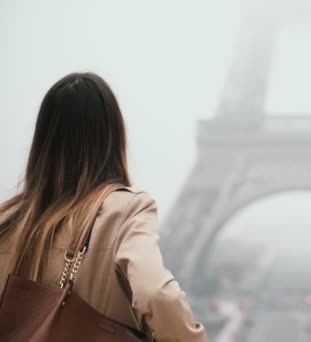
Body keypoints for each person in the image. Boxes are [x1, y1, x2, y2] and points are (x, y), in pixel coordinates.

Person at [0, 72, 207, 342]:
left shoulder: (7, 219)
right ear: (112, 135)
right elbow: (156, 293)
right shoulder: (126, 210)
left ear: (43, 140)